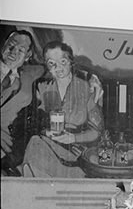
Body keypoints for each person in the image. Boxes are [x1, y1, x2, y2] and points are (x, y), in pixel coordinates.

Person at [22, 40, 104, 178]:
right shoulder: (41, 86)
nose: (57, 68)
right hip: (47, 145)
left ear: (71, 61)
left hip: (76, 150)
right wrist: (46, 132)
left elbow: (97, 132)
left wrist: (73, 138)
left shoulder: (87, 87)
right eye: (51, 63)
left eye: (63, 61)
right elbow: (32, 121)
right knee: (35, 143)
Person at [1, 30, 45, 176]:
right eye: (11, 46)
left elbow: (59, 69)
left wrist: (90, 76)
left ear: (28, 56)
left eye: (21, 50)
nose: (13, 52)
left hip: (7, 149)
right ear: (4, 45)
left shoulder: (29, 74)